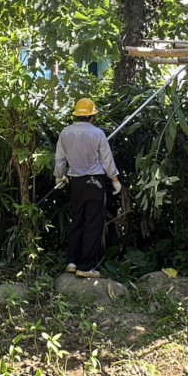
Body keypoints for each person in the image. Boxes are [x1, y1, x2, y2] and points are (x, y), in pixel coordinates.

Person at [54, 98, 122, 279]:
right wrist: (114, 180)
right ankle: (85, 266)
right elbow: (107, 160)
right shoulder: (97, 133)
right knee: (92, 223)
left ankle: (72, 261)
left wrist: (59, 176)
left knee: (77, 221)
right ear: (92, 116)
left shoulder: (65, 132)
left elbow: (60, 159)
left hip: (75, 183)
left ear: (77, 114)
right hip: (95, 183)